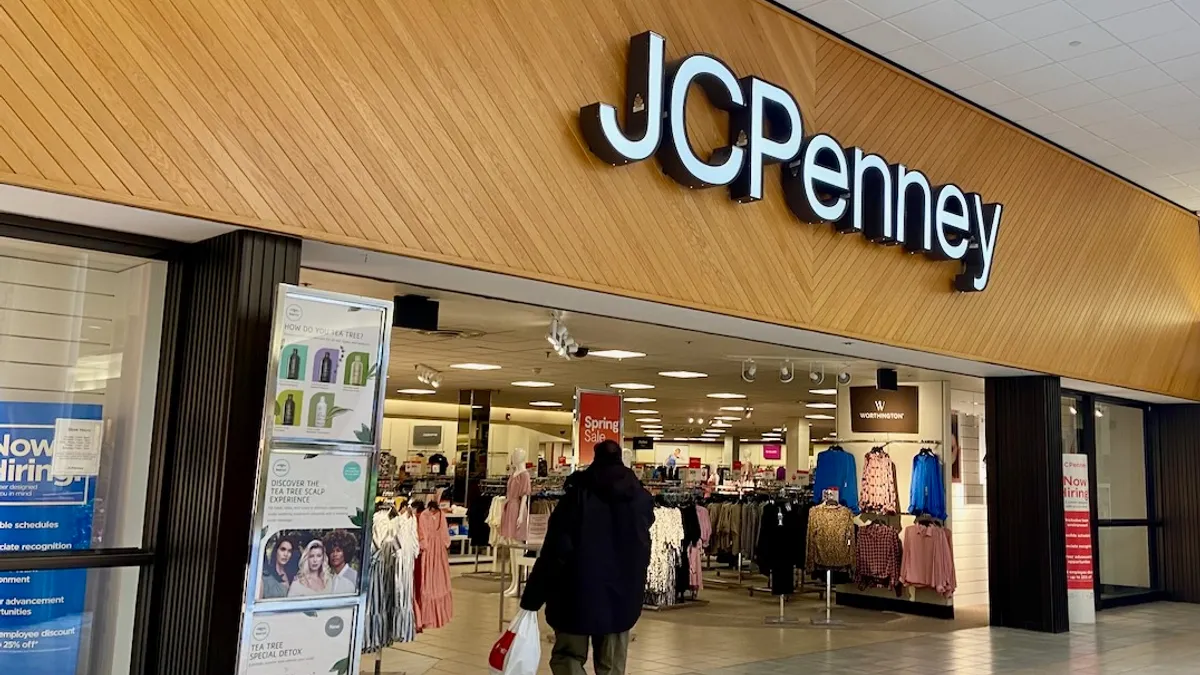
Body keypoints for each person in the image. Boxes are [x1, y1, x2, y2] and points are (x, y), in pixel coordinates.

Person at [520, 439, 654, 675]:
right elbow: (642, 550)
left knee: (568, 657)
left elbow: (555, 551)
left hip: (576, 594)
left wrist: (533, 598)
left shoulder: (576, 496)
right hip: (621, 596)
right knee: (611, 665)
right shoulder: (639, 501)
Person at [289, 539, 355, 597]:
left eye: (318, 556)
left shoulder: (331, 581)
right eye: (311, 556)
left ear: (323, 558)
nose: (315, 560)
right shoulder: (297, 584)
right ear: (307, 558)